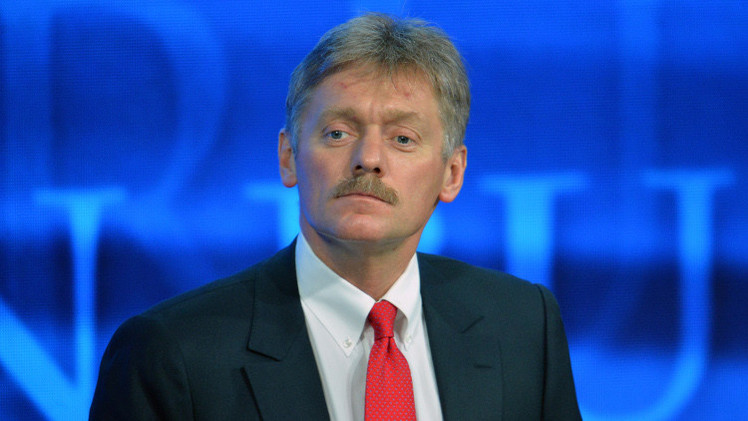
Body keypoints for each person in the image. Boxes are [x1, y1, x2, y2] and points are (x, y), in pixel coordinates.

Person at [90, 13, 582, 420]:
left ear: (451, 174)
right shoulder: (172, 354)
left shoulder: (524, 326)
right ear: (288, 157)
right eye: (338, 133)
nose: (368, 158)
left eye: (402, 138)